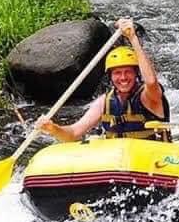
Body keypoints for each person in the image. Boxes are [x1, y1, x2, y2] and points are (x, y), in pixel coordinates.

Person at [36, 18, 170, 141]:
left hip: (151, 160)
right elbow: (73, 133)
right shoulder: (104, 102)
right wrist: (53, 129)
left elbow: (151, 82)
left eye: (128, 72)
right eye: (117, 73)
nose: (123, 78)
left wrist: (133, 38)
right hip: (117, 162)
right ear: (110, 77)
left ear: (136, 74)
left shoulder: (148, 97)